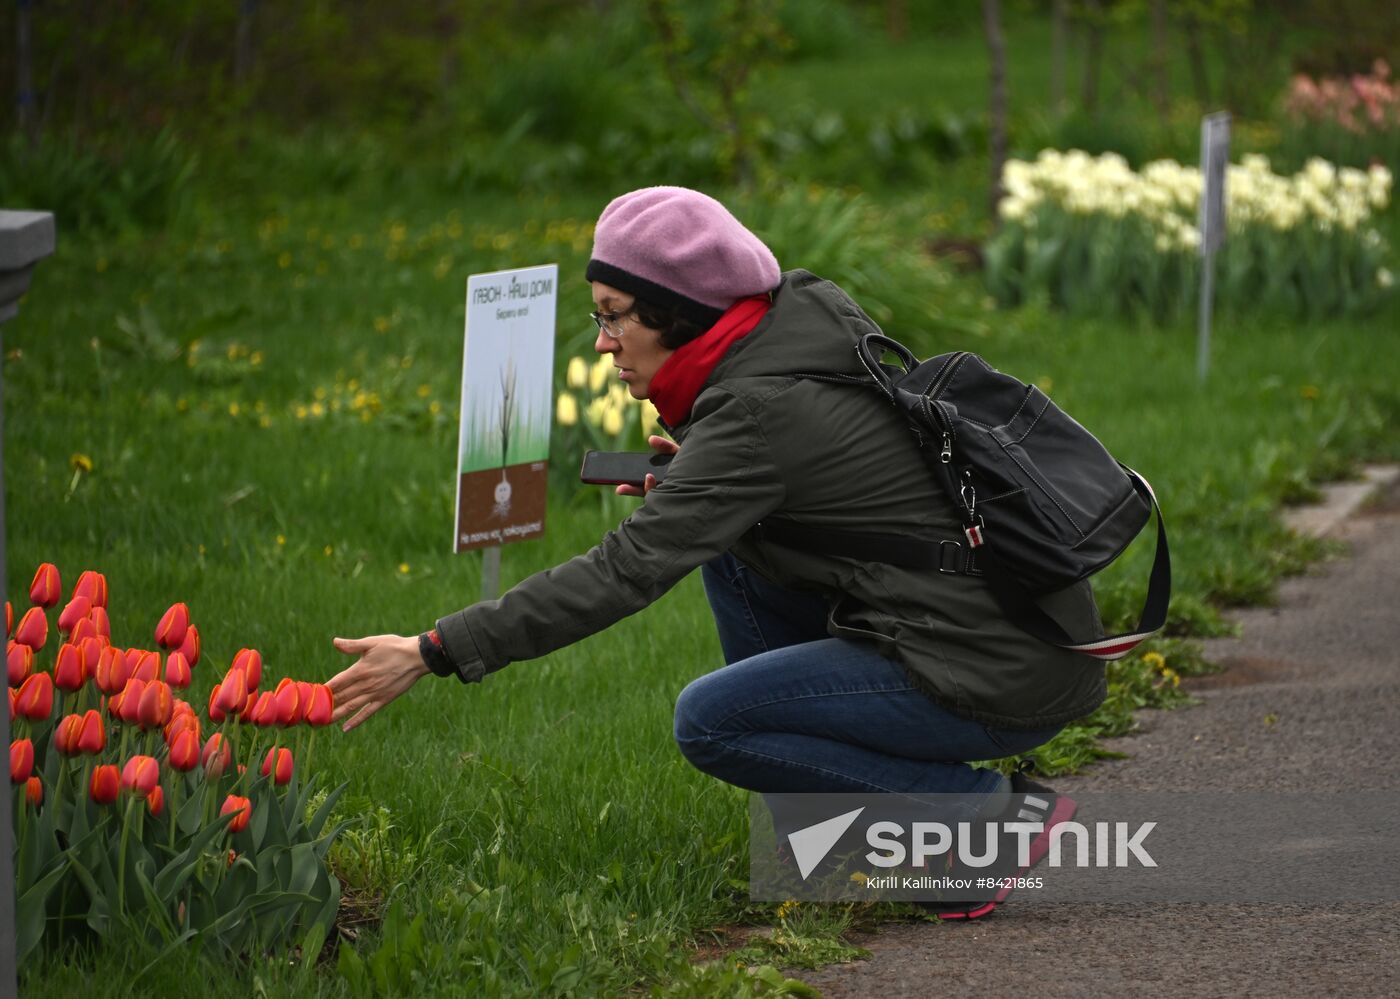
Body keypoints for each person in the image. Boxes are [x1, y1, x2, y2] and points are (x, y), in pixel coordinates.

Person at [327, 186, 1104, 918]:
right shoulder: (790, 327)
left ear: (679, 312)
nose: (602, 344)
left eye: (613, 317)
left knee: (711, 721)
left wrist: (434, 649)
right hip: (998, 627)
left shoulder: (755, 414)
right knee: (729, 547)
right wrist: (697, 483)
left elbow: (622, 573)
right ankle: (827, 833)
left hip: (997, 670)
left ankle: (982, 824)